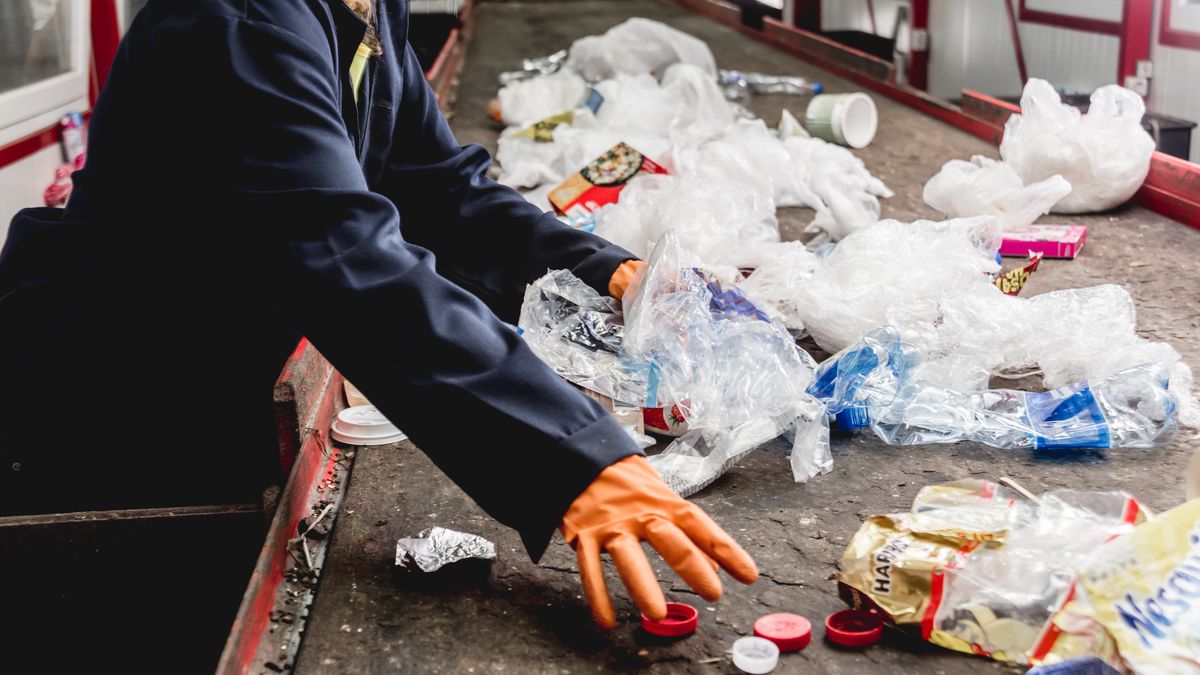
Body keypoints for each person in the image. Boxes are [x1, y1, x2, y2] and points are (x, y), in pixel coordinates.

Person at [0, 0, 756, 629]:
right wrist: (573, 454)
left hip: (206, 364)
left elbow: (437, 192)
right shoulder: (234, 21)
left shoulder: (361, 5)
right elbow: (345, 258)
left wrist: (611, 272)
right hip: (97, 402)